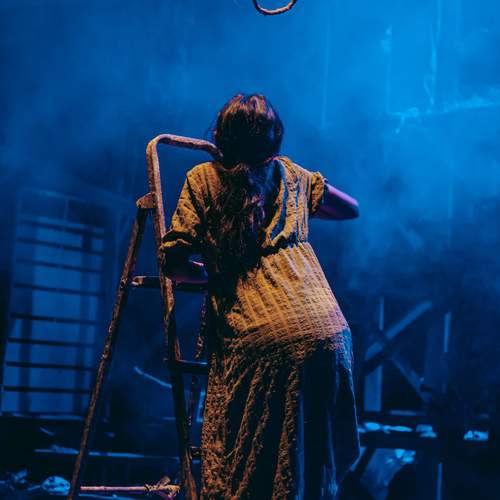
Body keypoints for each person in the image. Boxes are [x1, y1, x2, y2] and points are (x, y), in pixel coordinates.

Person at [161, 94, 360, 499]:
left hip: (262, 335)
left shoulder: (204, 178)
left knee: (249, 467)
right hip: (329, 332)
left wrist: (214, 275)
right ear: (274, 137)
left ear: (222, 134)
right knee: (310, 460)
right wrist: (297, 200)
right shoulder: (292, 174)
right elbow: (351, 208)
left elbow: (174, 262)